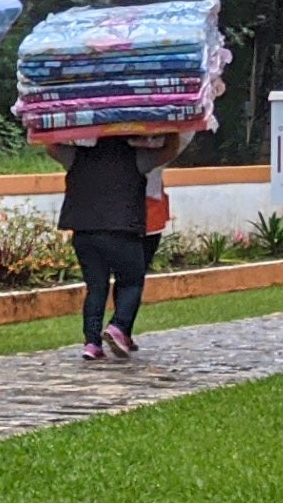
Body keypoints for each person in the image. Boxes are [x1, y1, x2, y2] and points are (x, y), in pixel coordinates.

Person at [57, 130, 187, 360]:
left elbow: (50, 146)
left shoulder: (76, 156)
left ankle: (92, 343)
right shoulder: (136, 157)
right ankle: (118, 326)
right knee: (131, 282)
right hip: (121, 232)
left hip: (84, 232)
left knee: (95, 287)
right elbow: (169, 150)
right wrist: (173, 128)